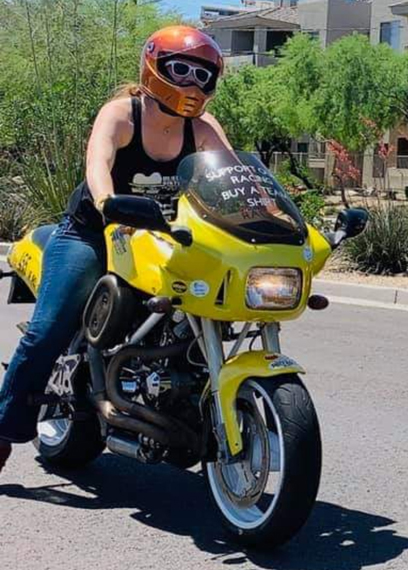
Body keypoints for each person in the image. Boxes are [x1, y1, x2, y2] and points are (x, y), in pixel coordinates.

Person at [0, 26, 233, 474]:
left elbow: (231, 174)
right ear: (154, 68)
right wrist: (107, 200)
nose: (191, 84)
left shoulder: (201, 128)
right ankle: (3, 431)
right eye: (180, 70)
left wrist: (263, 213)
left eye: (202, 75)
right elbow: (98, 162)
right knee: (48, 329)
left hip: (162, 236)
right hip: (93, 232)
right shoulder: (121, 114)